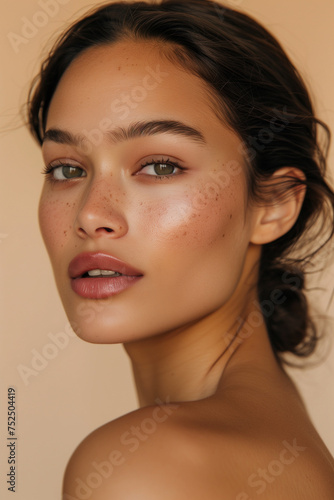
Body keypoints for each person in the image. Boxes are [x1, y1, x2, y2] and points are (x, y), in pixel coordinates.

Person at [27, 0, 334, 498]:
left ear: (274, 205)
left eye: (160, 166)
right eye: (67, 169)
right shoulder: (282, 443)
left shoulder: (147, 466)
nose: (89, 214)